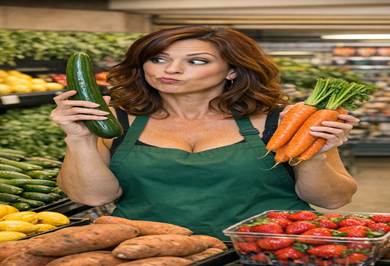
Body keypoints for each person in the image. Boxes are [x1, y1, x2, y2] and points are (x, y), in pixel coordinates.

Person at [51, 25, 359, 239]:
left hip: (263, 250)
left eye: (196, 61)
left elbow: (332, 200)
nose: (170, 70)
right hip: (149, 253)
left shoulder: (282, 121)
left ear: (233, 70)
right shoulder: (114, 120)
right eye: (158, 58)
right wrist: (79, 137)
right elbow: (92, 196)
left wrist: (316, 156)